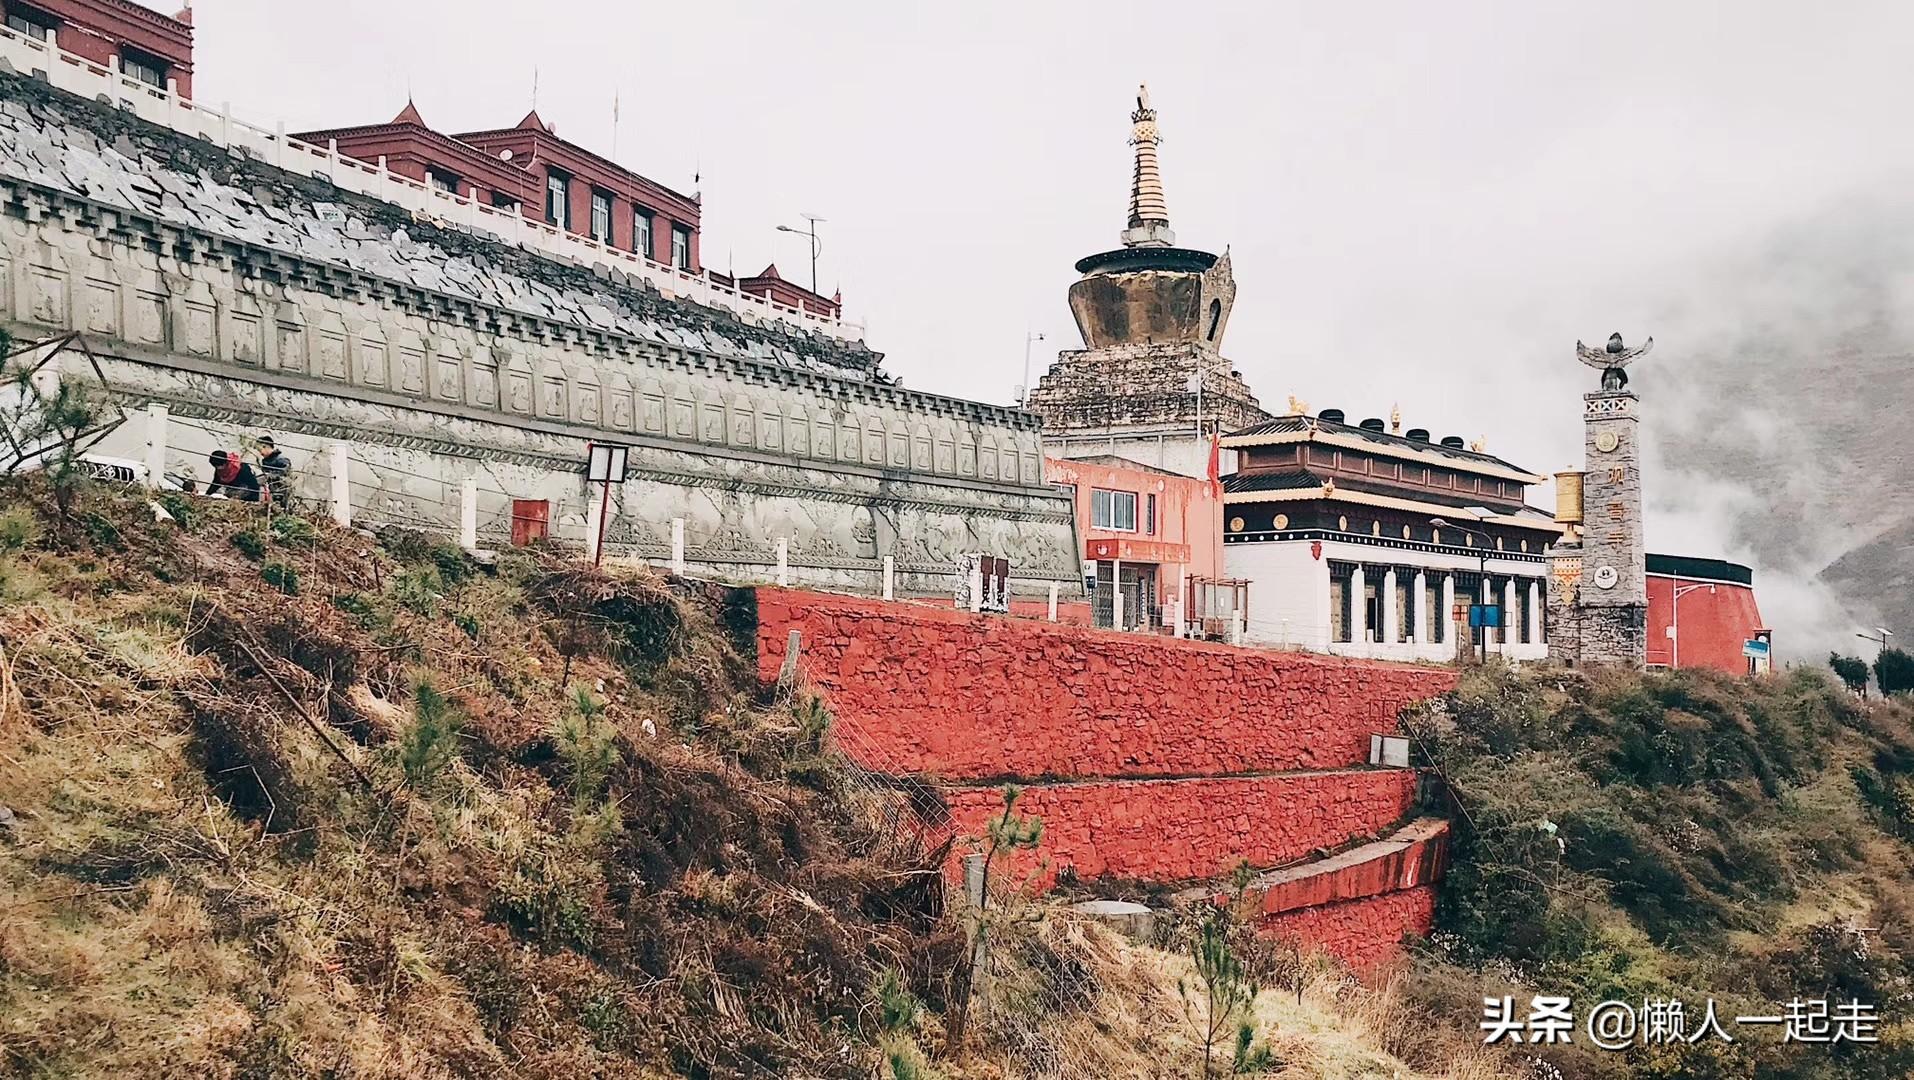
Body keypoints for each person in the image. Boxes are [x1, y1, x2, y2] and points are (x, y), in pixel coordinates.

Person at [254, 436, 291, 505]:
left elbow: (285, 474)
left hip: (280, 491)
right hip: (270, 491)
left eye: (260, 450)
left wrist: (269, 476)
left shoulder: (281, 459)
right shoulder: (265, 461)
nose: (260, 453)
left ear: (265, 446)